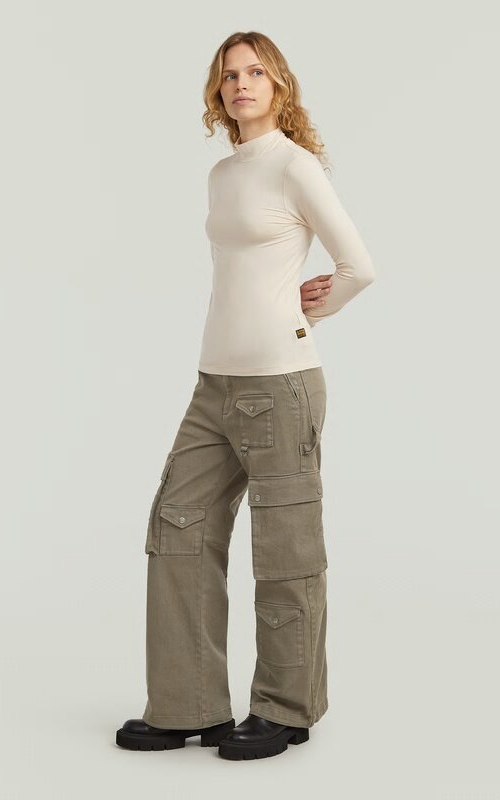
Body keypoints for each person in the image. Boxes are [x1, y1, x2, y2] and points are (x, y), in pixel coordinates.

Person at [116, 31, 375, 761]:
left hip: (280, 384)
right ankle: (188, 705)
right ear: (218, 90)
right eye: (229, 75)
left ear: (279, 84)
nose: (241, 84)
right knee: (180, 525)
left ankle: (286, 709)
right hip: (215, 382)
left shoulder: (295, 166)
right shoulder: (223, 173)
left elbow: (358, 266)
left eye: (256, 72)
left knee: (285, 548)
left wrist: (313, 310)